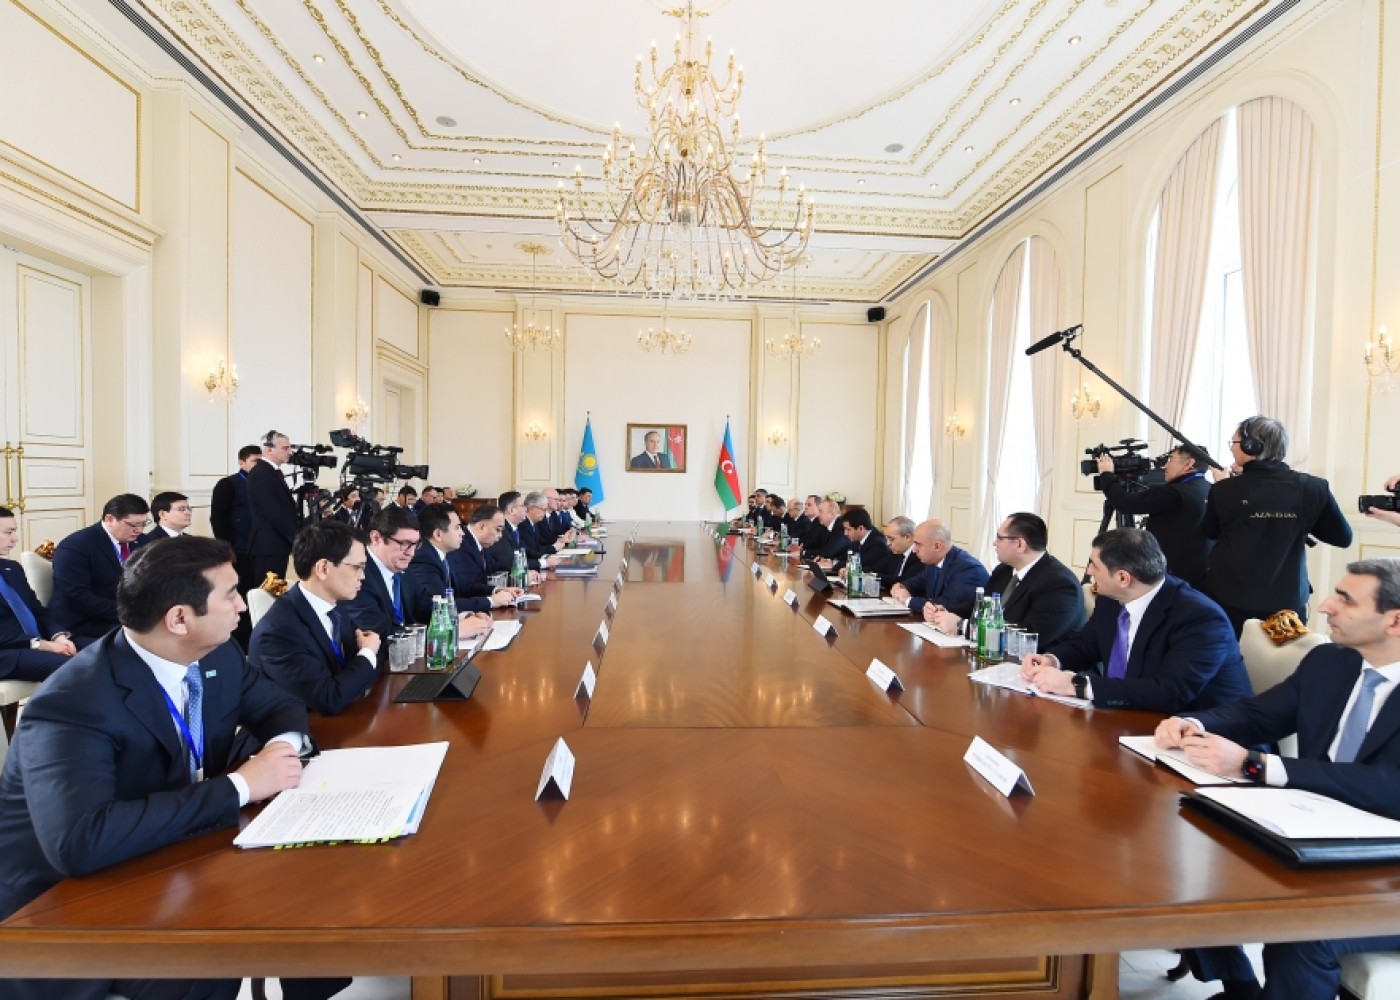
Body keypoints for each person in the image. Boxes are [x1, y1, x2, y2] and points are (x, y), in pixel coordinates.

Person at [0, 535, 311, 1000]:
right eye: (230, 594)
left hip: (162, 855)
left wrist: (281, 753)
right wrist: (241, 786)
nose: (242, 605)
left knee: (299, 897)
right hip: (64, 909)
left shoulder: (218, 654)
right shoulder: (73, 703)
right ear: (179, 618)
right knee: (215, 950)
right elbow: (79, 842)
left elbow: (278, 704)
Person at [1155, 559, 1400, 1000]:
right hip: (1318, 831)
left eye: (1345, 600)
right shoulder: (1331, 661)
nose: (1324, 605)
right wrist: (1194, 722)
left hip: (1389, 867)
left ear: (1394, 621)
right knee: (1192, 853)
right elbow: (1258, 714)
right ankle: (1241, 988)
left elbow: (1391, 787)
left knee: (1303, 931)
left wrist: (1260, 766)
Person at [1021, 528, 1252, 712]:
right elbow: (1088, 644)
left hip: (1205, 736)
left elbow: (1170, 692)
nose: (1089, 571)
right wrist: (1052, 660)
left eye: (1094, 564)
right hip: (1130, 719)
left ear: (1123, 578)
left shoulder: (1201, 618)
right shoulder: (1111, 599)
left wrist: (1076, 685)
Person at [1203, 416, 1352, 636]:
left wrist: (1228, 488)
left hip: (1230, 599)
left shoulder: (1224, 489)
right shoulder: (1313, 488)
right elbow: (1342, 537)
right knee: (1283, 654)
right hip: (1286, 601)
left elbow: (1210, 532)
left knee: (1231, 654)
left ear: (1250, 446)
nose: (1231, 449)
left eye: (1234, 443)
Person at [247, 521, 381, 716]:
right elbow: (329, 699)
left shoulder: (334, 606)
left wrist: (365, 657)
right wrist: (368, 652)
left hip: (345, 718)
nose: (362, 576)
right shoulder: (278, 632)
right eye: (357, 567)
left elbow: (361, 676)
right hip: (302, 729)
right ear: (323, 568)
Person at [924, 513, 1085, 646]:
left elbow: (1027, 637)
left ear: (1020, 544)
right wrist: (944, 611)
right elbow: (980, 604)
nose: (994, 543)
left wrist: (961, 625)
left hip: (1039, 668)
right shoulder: (1004, 570)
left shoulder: (1059, 584)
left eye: (1000, 538)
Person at [1094, 444, 1212, 590]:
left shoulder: (1176, 492)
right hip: (1197, 571)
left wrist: (1106, 474)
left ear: (1189, 464)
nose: (1166, 466)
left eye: (1171, 459)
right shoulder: (1207, 487)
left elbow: (1124, 503)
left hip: (1170, 573)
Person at [48, 493, 150, 641]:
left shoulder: (143, 542)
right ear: (110, 519)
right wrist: (132, 614)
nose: (139, 530)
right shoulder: (76, 546)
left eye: (144, 524)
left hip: (129, 616)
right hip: (85, 622)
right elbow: (78, 597)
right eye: (133, 525)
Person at [0, 505, 76, 682]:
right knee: (74, 668)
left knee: (99, 653)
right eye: (8, 532)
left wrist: (58, 636)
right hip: (6, 653)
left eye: (15, 531)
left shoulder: (12, 568)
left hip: (31, 645)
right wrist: (41, 645)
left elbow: (38, 610)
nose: (15, 538)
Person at [410, 504, 519, 617]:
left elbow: (465, 586)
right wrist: (491, 601)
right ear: (438, 534)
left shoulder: (443, 554)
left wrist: (497, 590)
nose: (462, 533)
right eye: (457, 527)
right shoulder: (424, 559)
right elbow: (439, 606)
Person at [891, 519, 989, 616]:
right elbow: (916, 582)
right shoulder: (933, 562)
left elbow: (948, 605)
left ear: (937, 546)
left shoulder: (968, 569)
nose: (914, 550)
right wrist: (901, 586)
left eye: (918, 544)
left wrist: (908, 600)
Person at [245, 430, 302, 586]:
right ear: (270, 450)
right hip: (268, 546)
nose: (290, 452)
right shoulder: (260, 474)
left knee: (275, 590)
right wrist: (296, 538)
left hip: (275, 545)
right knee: (268, 591)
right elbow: (273, 513)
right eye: (285, 448)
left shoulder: (270, 471)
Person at [210, 445, 260, 593]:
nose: (259, 466)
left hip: (261, 548)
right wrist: (227, 548)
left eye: (261, 462)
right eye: (255, 461)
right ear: (241, 462)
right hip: (239, 549)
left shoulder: (264, 484)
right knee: (243, 590)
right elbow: (217, 518)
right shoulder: (227, 484)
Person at [489, 491, 551, 580]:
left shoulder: (514, 528)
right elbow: (509, 563)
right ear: (511, 510)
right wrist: (544, 563)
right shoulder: (501, 530)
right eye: (523, 506)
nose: (526, 509)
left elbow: (525, 550)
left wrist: (544, 557)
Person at [818, 507, 894, 578]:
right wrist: (831, 561)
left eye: (848, 529)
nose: (845, 533)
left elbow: (858, 564)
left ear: (861, 528)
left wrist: (834, 564)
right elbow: (848, 558)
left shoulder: (878, 544)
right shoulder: (858, 539)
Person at [878, 517, 924, 590]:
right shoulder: (895, 552)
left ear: (908, 537)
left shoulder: (919, 556)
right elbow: (878, 568)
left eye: (891, 539)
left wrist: (875, 577)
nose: (888, 543)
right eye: (887, 538)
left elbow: (904, 582)